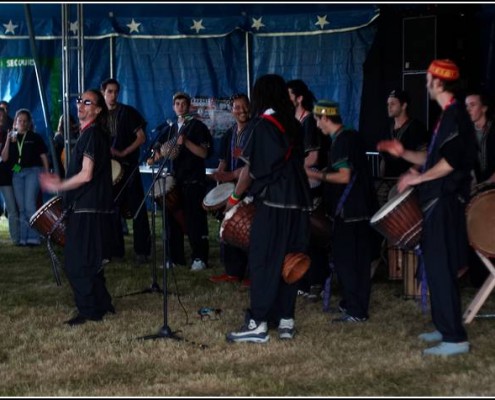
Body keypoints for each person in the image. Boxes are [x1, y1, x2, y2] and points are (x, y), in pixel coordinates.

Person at [377, 59, 475, 356]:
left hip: (445, 202)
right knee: (435, 268)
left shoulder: (456, 115)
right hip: (436, 201)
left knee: (442, 268)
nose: (426, 83)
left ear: (439, 82)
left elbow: (450, 162)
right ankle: (446, 327)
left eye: (429, 79)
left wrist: (420, 178)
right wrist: (404, 153)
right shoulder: (445, 116)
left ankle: (455, 339)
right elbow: (433, 160)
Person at [226, 74, 312, 343]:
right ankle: (286, 321)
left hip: (273, 203)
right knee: (291, 260)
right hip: (299, 204)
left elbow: (250, 170)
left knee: (264, 261)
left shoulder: (263, 125)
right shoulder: (294, 125)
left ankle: (258, 323)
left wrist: (234, 199)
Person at [39, 89, 115, 326]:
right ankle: (102, 303)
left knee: (76, 261)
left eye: (87, 102)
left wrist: (61, 184)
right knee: (90, 258)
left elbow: (86, 174)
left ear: (98, 109)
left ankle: (89, 311)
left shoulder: (92, 134)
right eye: (79, 101)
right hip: (91, 207)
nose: (80, 105)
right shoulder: (92, 134)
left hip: (87, 207)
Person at [306, 100, 377, 324]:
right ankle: (352, 304)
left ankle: (356, 310)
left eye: (318, 120)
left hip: (349, 211)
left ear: (325, 118)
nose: (317, 126)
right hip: (362, 209)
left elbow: (344, 176)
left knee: (347, 261)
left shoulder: (341, 142)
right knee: (359, 261)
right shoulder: (351, 136)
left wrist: (317, 175)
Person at [151, 92, 213, 271]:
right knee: (172, 221)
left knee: (195, 220)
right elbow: (159, 152)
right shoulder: (168, 129)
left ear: (189, 107)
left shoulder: (198, 127)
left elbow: (204, 153)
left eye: (183, 104)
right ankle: (175, 258)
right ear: (173, 107)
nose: (180, 107)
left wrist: (185, 142)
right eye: (177, 104)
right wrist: (156, 155)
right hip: (175, 179)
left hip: (193, 180)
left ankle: (200, 258)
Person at [287, 79, 330, 301]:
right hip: (300, 182)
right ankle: (304, 279)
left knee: (313, 232)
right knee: (300, 234)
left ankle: (316, 280)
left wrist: (292, 168)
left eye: (289, 95)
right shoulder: (295, 122)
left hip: (312, 182)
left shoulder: (310, 122)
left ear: (299, 98)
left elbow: (313, 157)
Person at [101, 78, 151, 264]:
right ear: (103, 93)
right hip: (108, 170)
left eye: (116, 92)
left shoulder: (128, 113)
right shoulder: (99, 115)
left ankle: (142, 250)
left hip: (128, 168)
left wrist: (123, 152)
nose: (113, 95)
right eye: (109, 92)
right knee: (110, 209)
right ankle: (115, 251)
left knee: (137, 208)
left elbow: (141, 137)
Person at [209, 93, 251, 285]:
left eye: (244, 106)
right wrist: (218, 183)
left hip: (250, 188)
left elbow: (255, 164)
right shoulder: (229, 134)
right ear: (231, 110)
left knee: (247, 229)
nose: (241, 110)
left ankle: (250, 274)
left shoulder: (255, 131)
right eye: (237, 107)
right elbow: (223, 163)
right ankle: (233, 272)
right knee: (228, 226)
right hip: (233, 188)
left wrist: (232, 176)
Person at [1, 108, 49, 246]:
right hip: (18, 173)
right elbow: (5, 159)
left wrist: (46, 173)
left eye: (24, 121)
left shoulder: (34, 137)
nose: (21, 123)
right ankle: (23, 238)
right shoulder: (11, 138)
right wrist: (7, 141)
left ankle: (34, 238)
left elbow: (43, 156)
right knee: (21, 208)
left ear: (28, 123)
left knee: (29, 205)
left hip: (33, 171)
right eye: (19, 120)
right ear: (15, 122)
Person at [464, 89, 495, 287]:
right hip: (479, 190)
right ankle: (478, 276)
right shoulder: (466, 135)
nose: (468, 109)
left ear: (484, 107)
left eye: (472, 105)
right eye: (466, 106)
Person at [0, 107, 20, 244]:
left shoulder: (13, 134)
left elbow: (13, 158)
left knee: (12, 208)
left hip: (6, 175)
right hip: (6, 174)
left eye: (3, 116)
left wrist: (17, 170)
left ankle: (16, 239)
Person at [53, 114, 79, 178]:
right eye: (64, 122)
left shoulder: (77, 134)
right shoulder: (58, 137)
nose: (67, 124)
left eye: (69, 121)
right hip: (63, 164)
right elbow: (56, 155)